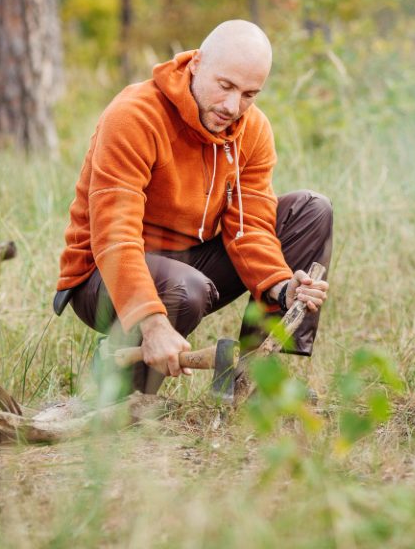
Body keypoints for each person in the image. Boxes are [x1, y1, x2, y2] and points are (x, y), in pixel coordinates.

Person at [53, 20, 332, 395]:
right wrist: (152, 323)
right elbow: (113, 238)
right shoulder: (135, 115)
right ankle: (119, 389)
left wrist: (284, 288)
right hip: (102, 274)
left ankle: (256, 378)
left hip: (186, 263)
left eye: (250, 94)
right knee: (185, 288)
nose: (234, 106)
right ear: (197, 64)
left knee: (311, 210)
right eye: (226, 86)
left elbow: (251, 228)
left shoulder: (253, 129)